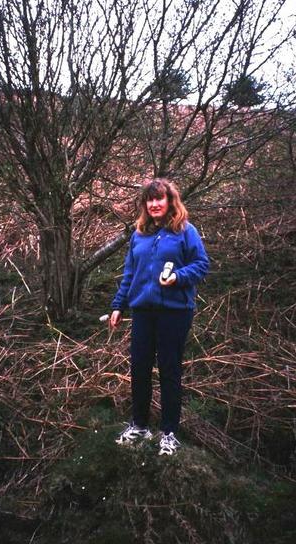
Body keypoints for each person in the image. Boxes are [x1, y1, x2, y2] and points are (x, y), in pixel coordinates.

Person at [110, 178, 209, 455]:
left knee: (169, 371)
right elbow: (130, 274)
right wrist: (119, 305)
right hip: (143, 311)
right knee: (139, 370)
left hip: (174, 313)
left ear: (169, 201)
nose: (154, 204)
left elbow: (202, 265)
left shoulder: (185, 231)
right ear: (145, 204)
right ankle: (140, 425)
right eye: (149, 200)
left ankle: (169, 433)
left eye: (159, 199)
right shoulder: (138, 235)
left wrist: (178, 277)